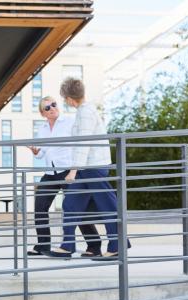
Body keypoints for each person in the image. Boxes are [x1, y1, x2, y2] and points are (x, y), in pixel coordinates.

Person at [49, 78, 130, 259]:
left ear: (70, 98)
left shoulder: (86, 113)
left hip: (93, 167)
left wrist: (73, 170)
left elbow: (83, 144)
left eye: (64, 99)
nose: (65, 102)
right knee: (70, 204)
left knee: (107, 206)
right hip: (87, 168)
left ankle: (117, 246)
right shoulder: (83, 111)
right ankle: (67, 246)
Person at [27, 96, 101, 258]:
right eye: (47, 107)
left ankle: (94, 246)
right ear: (42, 113)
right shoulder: (43, 129)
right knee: (40, 207)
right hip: (50, 173)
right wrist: (36, 152)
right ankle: (43, 245)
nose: (52, 108)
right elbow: (42, 153)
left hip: (68, 171)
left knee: (77, 209)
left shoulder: (69, 122)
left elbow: (80, 143)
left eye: (54, 105)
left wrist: (76, 169)